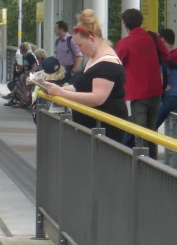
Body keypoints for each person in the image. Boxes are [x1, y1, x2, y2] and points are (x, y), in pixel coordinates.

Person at [41, 10, 128, 144]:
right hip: (94, 128)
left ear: (92, 39)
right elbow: (81, 87)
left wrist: (61, 93)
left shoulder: (107, 64)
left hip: (105, 131)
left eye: (80, 45)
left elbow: (97, 98)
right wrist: (57, 89)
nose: (79, 50)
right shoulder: (96, 58)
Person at [115, 8, 169, 158]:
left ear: (125, 25)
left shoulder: (124, 43)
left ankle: (142, 163)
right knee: (152, 131)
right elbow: (166, 55)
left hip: (138, 93)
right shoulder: (152, 37)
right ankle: (153, 163)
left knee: (140, 133)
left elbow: (116, 65)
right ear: (141, 21)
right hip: (156, 90)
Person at [156, 28, 177, 129]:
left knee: (150, 124)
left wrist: (163, 86)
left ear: (162, 40)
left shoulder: (166, 58)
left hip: (170, 96)